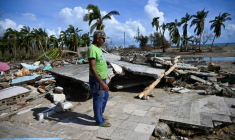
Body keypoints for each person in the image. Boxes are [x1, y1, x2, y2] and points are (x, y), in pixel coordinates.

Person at [87, 30, 111, 127]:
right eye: (103, 39)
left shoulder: (98, 48)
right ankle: (99, 121)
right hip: (97, 80)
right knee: (98, 99)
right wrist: (101, 82)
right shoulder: (92, 48)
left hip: (102, 79)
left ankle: (99, 115)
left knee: (105, 96)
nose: (104, 41)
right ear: (97, 38)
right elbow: (92, 68)